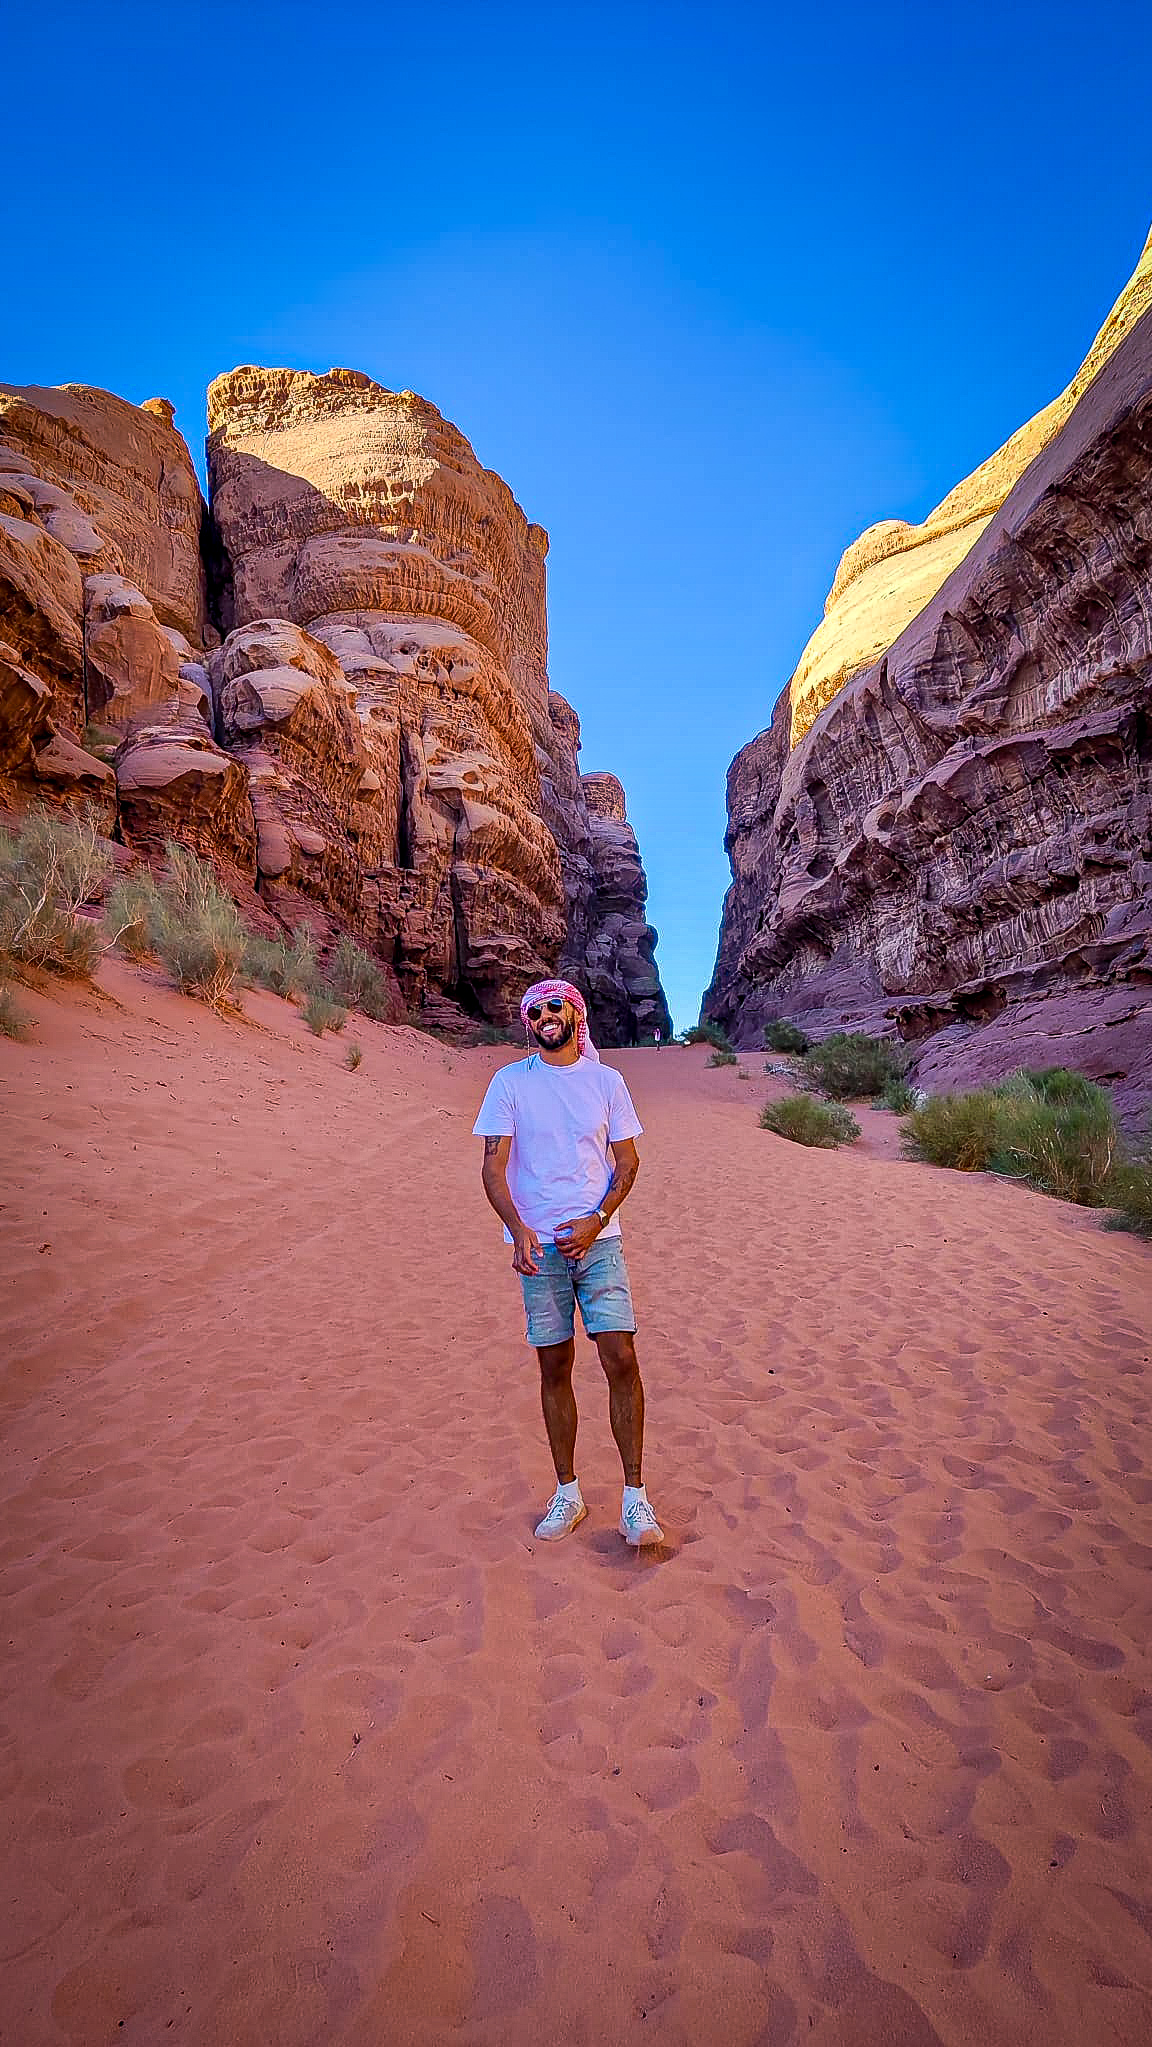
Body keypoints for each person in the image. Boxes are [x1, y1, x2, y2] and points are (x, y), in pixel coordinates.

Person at [473, 978, 664, 1548]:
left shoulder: (607, 1082)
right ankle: (569, 1492)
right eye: (534, 1009)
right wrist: (518, 1231)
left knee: (620, 1356)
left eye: (556, 1005)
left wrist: (597, 1221)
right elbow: (492, 1166)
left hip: (598, 1242)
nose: (545, 1014)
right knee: (553, 1366)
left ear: (574, 1015)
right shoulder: (509, 1082)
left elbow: (627, 1162)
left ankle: (635, 1498)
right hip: (542, 1250)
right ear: (528, 1022)